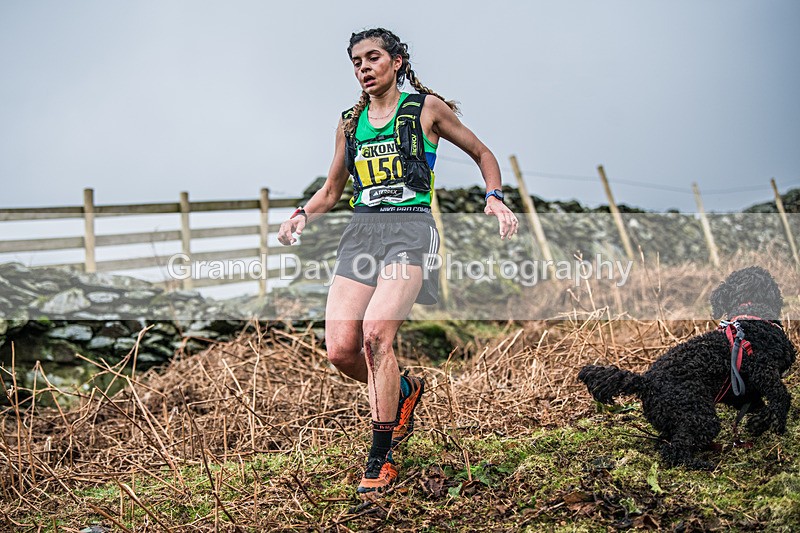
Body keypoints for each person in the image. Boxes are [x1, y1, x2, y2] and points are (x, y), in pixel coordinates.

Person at [278, 28, 518, 498]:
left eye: (373, 58)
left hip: (410, 231)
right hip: (362, 232)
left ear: (398, 62)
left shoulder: (426, 109)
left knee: (374, 337)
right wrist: (301, 214)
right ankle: (403, 391)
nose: (364, 68)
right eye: (356, 62)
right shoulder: (350, 124)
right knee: (341, 350)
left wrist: (494, 197)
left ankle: (381, 456)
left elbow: (482, 152)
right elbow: (331, 191)